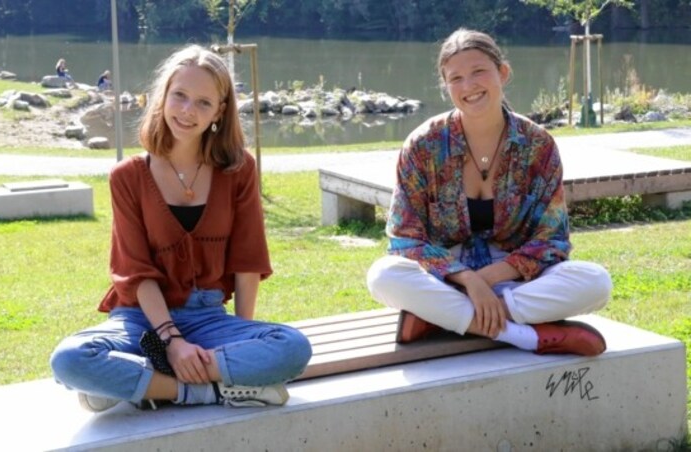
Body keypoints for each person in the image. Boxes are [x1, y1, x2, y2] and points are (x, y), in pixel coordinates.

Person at [50, 44, 312, 413]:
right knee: (70, 359)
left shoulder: (239, 170)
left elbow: (247, 261)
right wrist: (173, 342)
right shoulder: (127, 177)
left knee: (293, 347)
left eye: (204, 103)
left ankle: (145, 384)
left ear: (220, 111)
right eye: (180, 96)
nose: (188, 111)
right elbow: (136, 272)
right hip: (140, 317)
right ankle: (205, 392)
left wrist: (238, 342)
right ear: (163, 97)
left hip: (208, 317)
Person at [366, 29, 612, 357]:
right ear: (446, 86)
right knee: (383, 276)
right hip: (447, 274)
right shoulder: (424, 145)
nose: (469, 86)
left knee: (595, 282)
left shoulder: (537, 145)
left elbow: (552, 240)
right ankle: (524, 336)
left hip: (514, 274)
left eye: (478, 72)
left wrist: (488, 279)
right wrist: (467, 279)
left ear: (503, 73)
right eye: (456, 78)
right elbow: (404, 239)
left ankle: (440, 318)